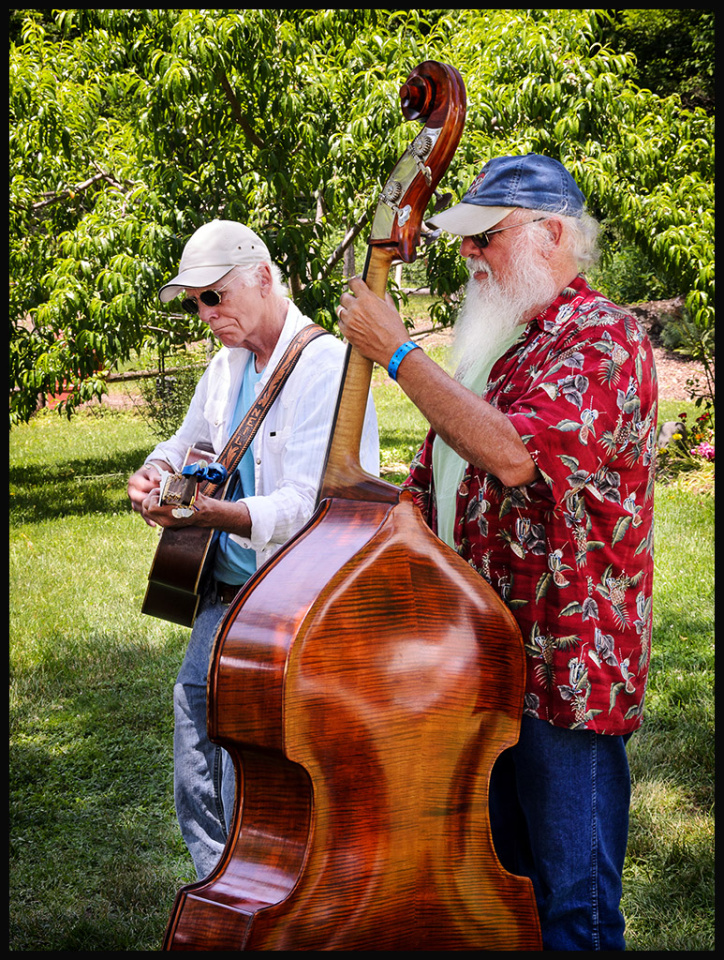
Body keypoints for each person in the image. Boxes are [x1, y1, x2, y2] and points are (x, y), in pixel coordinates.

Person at [336, 154, 657, 951]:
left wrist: (399, 355)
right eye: (466, 241)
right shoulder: (502, 350)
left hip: (564, 678)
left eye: (488, 237)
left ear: (552, 234)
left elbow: (515, 458)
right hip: (480, 670)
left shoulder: (605, 339)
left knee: (572, 911)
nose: (470, 255)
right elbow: (428, 486)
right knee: (500, 896)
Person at [127, 219, 379, 881]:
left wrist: (214, 513)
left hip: (290, 597)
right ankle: (218, 882)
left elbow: (308, 506)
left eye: (216, 296)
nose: (207, 313)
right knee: (194, 734)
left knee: (253, 752)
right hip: (221, 590)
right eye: (197, 302)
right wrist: (154, 471)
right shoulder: (226, 362)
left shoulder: (324, 366)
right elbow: (185, 442)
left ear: (265, 277)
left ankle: (257, 883)